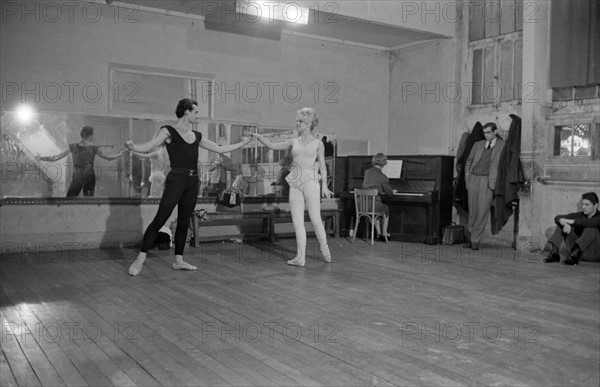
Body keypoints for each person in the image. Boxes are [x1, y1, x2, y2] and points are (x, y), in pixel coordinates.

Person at [126, 98, 253, 276]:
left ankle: (178, 260)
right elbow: (148, 146)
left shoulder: (196, 135)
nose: (197, 116)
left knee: (184, 222)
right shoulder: (168, 131)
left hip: (193, 182)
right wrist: (133, 147)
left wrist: (243, 143)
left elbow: (220, 149)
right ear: (186, 111)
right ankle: (139, 259)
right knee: (160, 219)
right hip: (176, 180)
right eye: (196, 112)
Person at [255, 108, 333, 266]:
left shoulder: (318, 143)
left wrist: (324, 186)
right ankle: (300, 257)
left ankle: (326, 250)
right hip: (295, 182)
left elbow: (323, 166)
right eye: (297, 121)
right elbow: (272, 145)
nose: (297, 123)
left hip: (311, 182)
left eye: (301, 121)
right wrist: (258, 136)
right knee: (297, 221)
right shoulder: (293, 141)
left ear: (309, 123)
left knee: (316, 219)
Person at [36, 125, 124, 197]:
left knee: (69, 200)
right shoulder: (94, 148)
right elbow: (108, 158)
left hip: (78, 176)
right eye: (92, 135)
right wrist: (119, 154)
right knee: (88, 201)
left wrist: (41, 158)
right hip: (89, 177)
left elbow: (56, 157)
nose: (93, 137)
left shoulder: (73, 146)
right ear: (89, 135)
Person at [463, 122, 505, 250]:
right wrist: (467, 176)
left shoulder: (502, 145)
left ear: (495, 132)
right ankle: (471, 238)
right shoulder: (478, 144)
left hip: (488, 181)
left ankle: (475, 240)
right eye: (484, 133)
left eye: (488, 132)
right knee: (473, 211)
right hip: (473, 179)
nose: (486, 135)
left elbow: (504, 166)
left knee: (482, 211)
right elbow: (469, 161)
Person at [544, 192, 600, 265]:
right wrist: (565, 223)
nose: (583, 207)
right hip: (577, 255)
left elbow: (590, 222)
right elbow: (557, 218)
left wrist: (570, 222)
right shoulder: (580, 215)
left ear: (596, 205)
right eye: (582, 204)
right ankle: (555, 253)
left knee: (590, 228)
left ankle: (574, 255)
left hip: (594, 254)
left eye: (587, 204)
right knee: (561, 225)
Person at [362, 153, 394, 242]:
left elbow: (369, 186)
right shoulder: (382, 176)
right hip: (374, 205)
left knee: (375, 210)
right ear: (384, 163)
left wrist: (378, 190)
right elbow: (389, 193)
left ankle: (378, 234)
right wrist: (391, 191)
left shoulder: (367, 172)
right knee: (385, 209)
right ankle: (384, 234)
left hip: (362, 205)